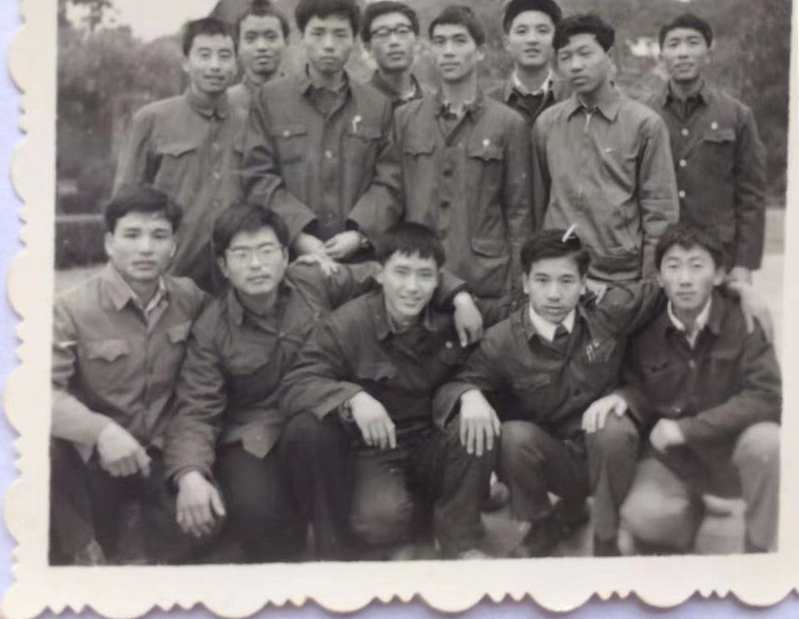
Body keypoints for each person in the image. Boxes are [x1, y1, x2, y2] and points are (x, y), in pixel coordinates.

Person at [164, 204, 382, 562]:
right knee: (258, 517)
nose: (256, 264)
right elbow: (196, 410)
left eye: (266, 251)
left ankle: (335, 551)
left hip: (317, 421)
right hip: (253, 437)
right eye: (242, 254)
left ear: (285, 256)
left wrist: (457, 294)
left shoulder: (314, 281)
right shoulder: (211, 329)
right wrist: (189, 473)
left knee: (311, 431)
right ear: (223, 265)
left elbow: (384, 276)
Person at [435, 229, 665, 558]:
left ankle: (605, 537)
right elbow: (456, 383)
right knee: (512, 437)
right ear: (526, 283)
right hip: (556, 459)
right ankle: (541, 523)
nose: (554, 294)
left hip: (613, 454)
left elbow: (664, 288)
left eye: (566, 281)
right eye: (542, 281)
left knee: (612, 425)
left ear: (585, 283)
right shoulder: (503, 340)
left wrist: (733, 286)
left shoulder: (610, 310)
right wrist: (469, 395)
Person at [280, 223, 495, 560]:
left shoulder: (451, 317)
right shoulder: (349, 323)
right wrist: (351, 398)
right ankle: (420, 519)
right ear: (380, 275)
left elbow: (487, 349)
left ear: (438, 280)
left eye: (424, 276)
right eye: (401, 273)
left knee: (480, 424)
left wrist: (469, 392)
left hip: (431, 439)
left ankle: (461, 542)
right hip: (377, 450)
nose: (412, 287)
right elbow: (297, 382)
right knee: (379, 522)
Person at [588, 222, 781, 554]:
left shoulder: (743, 319)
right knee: (647, 516)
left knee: (768, 442)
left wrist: (687, 429)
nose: (685, 279)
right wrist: (622, 398)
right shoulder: (646, 326)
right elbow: (638, 386)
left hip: (729, 455)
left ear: (718, 275)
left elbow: (767, 396)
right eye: (674, 267)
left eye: (696, 266)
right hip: (673, 461)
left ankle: (758, 553)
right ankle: (684, 519)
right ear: (660, 277)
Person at [50, 187, 206, 565]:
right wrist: (101, 431)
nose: (146, 248)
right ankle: (80, 550)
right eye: (132, 235)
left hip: (162, 457)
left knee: (200, 532)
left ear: (173, 246)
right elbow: (38, 392)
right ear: (109, 243)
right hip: (98, 458)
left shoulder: (190, 299)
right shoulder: (70, 307)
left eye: (159, 236)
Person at [242, 0, 400, 265]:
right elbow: (258, 177)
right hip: (290, 262)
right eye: (317, 33)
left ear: (354, 41)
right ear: (302, 38)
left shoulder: (378, 106)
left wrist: (360, 234)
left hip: (360, 265)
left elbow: (390, 180)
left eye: (340, 34)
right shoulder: (270, 100)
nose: (328, 45)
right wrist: (297, 234)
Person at [390, 5, 532, 304]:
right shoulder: (405, 119)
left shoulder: (508, 123)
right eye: (439, 42)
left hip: (484, 280)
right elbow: (393, 200)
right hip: (420, 278)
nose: (448, 51)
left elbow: (518, 212)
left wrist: (517, 288)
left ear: (480, 52)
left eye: (459, 41)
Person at [532, 14, 679, 283]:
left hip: (620, 277)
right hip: (559, 275)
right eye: (565, 57)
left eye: (585, 54)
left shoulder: (644, 124)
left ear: (609, 56)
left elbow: (659, 213)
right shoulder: (547, 124)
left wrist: (648, 285)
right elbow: (538, 201)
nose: (575, 65)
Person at [114, 17, 245, 292]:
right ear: (186, 62)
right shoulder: (151, 120)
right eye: (204, 55)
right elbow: (125, 201)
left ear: (236, 64)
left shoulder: (250, 123)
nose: (215, 65)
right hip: (170, 274)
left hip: (234, 277)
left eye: (224, 56)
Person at [645, 13, 766, 285]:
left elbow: (751, 195)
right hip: (658, 257)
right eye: (674, 44)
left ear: (709, 54)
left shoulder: (736, 115)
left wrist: (744, 264)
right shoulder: (641, 114)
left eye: (693, 43)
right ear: (661, 56)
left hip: (719, 257)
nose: (683, 53)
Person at [487, 0, 569, 125]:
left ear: (557, 40)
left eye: (542, 31)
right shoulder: (486, 105)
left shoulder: (578, 100)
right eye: (522, 31)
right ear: (507, 43)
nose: (532, 39)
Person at [227, 0, 289, 114]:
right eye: (251, 38)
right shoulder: (225, 104)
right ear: (238, 46)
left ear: (286, 42)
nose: (261, 47)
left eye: (271, 37)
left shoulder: (304, 99)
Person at [361, 0, 424, 108]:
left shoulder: (435, 105)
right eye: (382, 33)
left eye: (402, 31)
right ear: (368, 47)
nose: (394, 42)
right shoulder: (357, 104)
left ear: (417, 42)